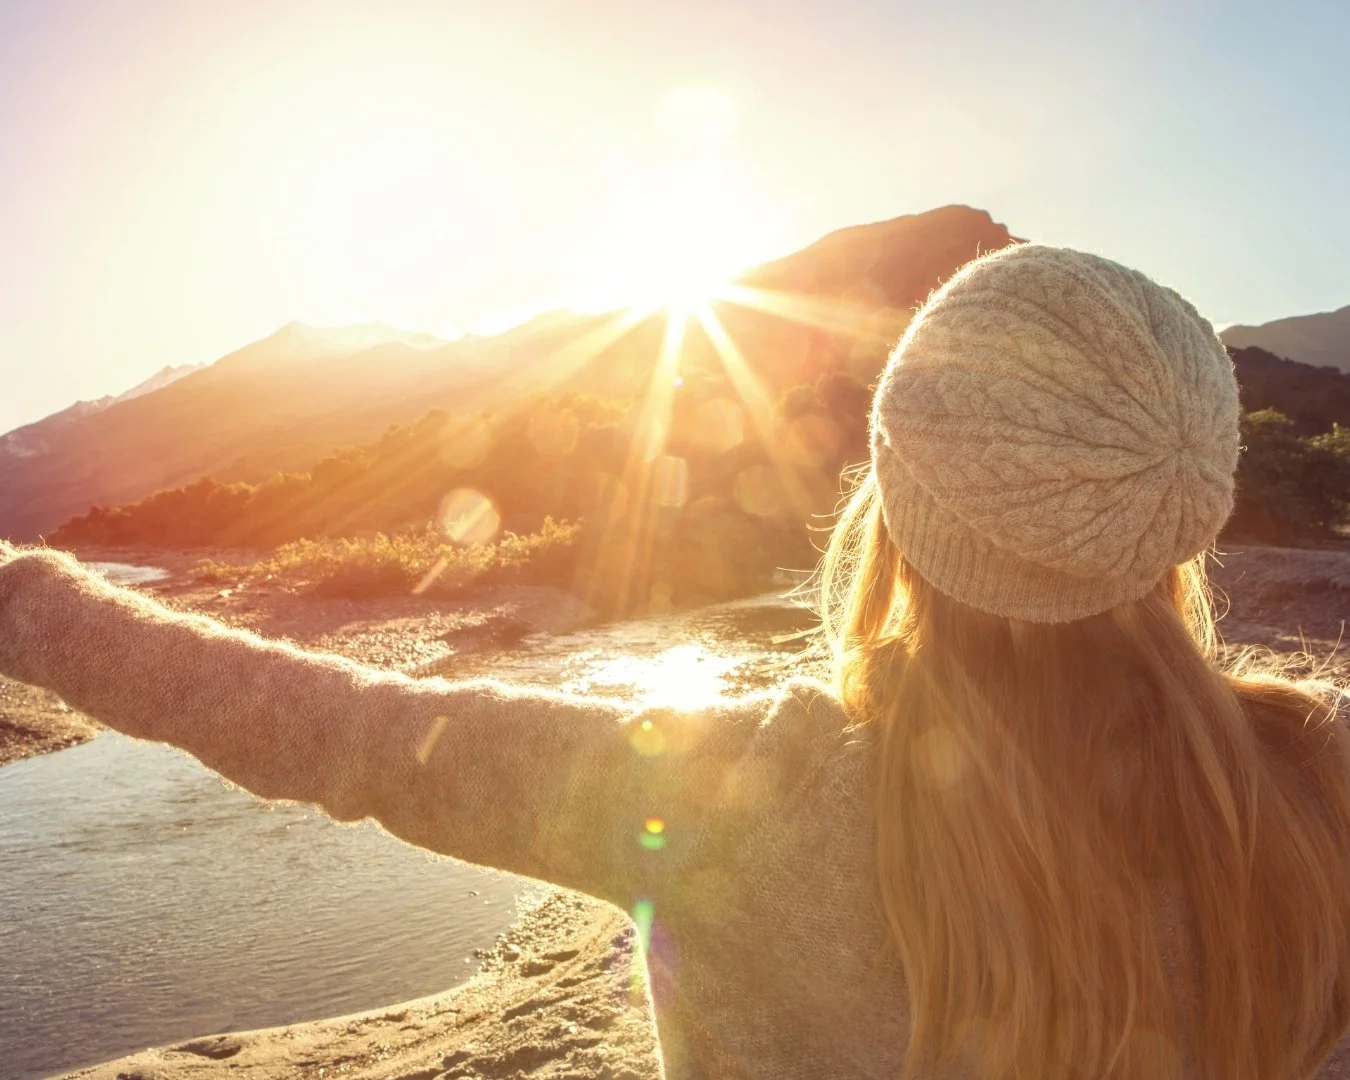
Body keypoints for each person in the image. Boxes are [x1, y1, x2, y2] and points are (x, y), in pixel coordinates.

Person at [2, 243, 1348, 1080]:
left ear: (896, 504)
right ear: (1191, 504)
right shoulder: (1319, 783)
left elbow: (341, 732)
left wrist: (29, 603)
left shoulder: (741, 802)